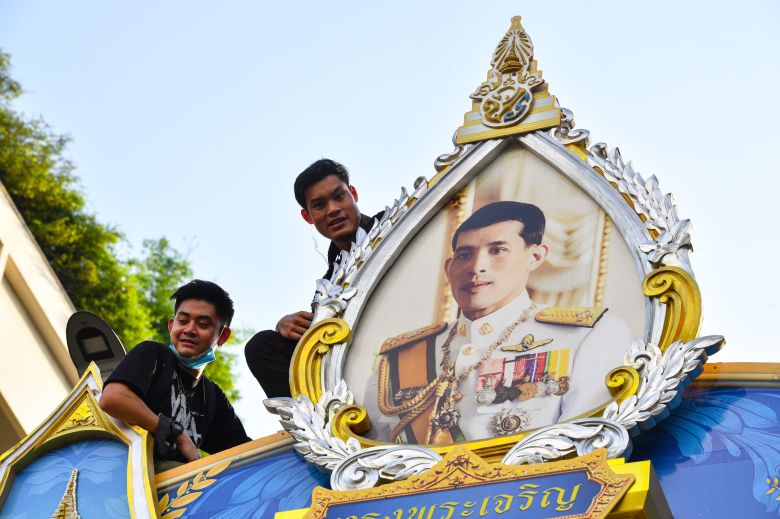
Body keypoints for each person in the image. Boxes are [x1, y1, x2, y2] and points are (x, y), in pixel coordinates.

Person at [374, 201, 629, 444]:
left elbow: (587, 447)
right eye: (464, 255)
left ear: (536, 256)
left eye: (497, 250)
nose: (477, 267)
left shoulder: (587, 336)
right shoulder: (399, 357)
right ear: (449, 268)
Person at [244, 159, 382, 398]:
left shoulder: (391, 228)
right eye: (319, 205)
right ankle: (318, 424)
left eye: (339, 197)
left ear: (354, 194)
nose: (332, 209)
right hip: (351, 365)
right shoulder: (328, 283)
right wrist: (286, 326)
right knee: (261, 346)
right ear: (308, 216)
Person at [99, 279, 250, 472]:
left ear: (223, 337)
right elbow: (113, 398)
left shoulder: (212, 398)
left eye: (203, 324)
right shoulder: (153, 354)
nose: (189, 330)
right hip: (128, 480)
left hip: (178, 493)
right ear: (171, 326)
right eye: (183, 321)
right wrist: (177, 434)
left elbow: (245, 451)